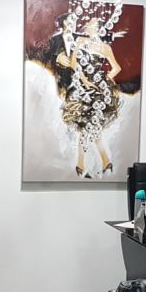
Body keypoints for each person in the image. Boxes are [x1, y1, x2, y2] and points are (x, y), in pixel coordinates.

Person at [53, 15, 123, 177]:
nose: (87, 26)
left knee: (90, 128)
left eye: (91, 24)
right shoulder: (80, 42)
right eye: (88, 24)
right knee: (90, 129)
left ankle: (81, 166)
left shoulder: (105, 48)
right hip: (82, 90)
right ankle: (104, 162)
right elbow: (75, 64)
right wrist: (85, 80)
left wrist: (104, 81)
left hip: (98, 92)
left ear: (98, 28)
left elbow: (116, 68)